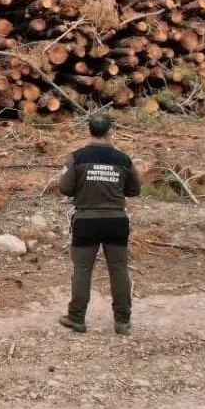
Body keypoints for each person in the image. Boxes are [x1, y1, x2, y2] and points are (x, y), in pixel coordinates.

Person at [57, 113, 141, 335]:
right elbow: (135, 190)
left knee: (82, 270)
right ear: (110, 131)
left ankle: (76, 318)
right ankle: (122, 321)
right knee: (119, 270)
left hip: (86, 221)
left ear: (88, 131)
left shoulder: (77, 158)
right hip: (116, 221)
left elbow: (64, 187)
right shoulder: (124, 160)